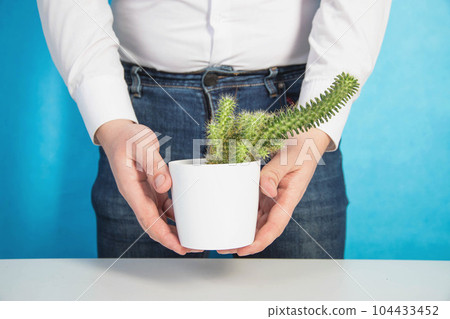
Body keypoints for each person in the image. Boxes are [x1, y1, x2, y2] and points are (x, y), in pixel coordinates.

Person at [37, 0, 391, 258]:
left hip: (290, 105)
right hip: (140, 108)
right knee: (140, 296)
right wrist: (112, 121)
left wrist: (314, 131)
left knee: (304, 293)